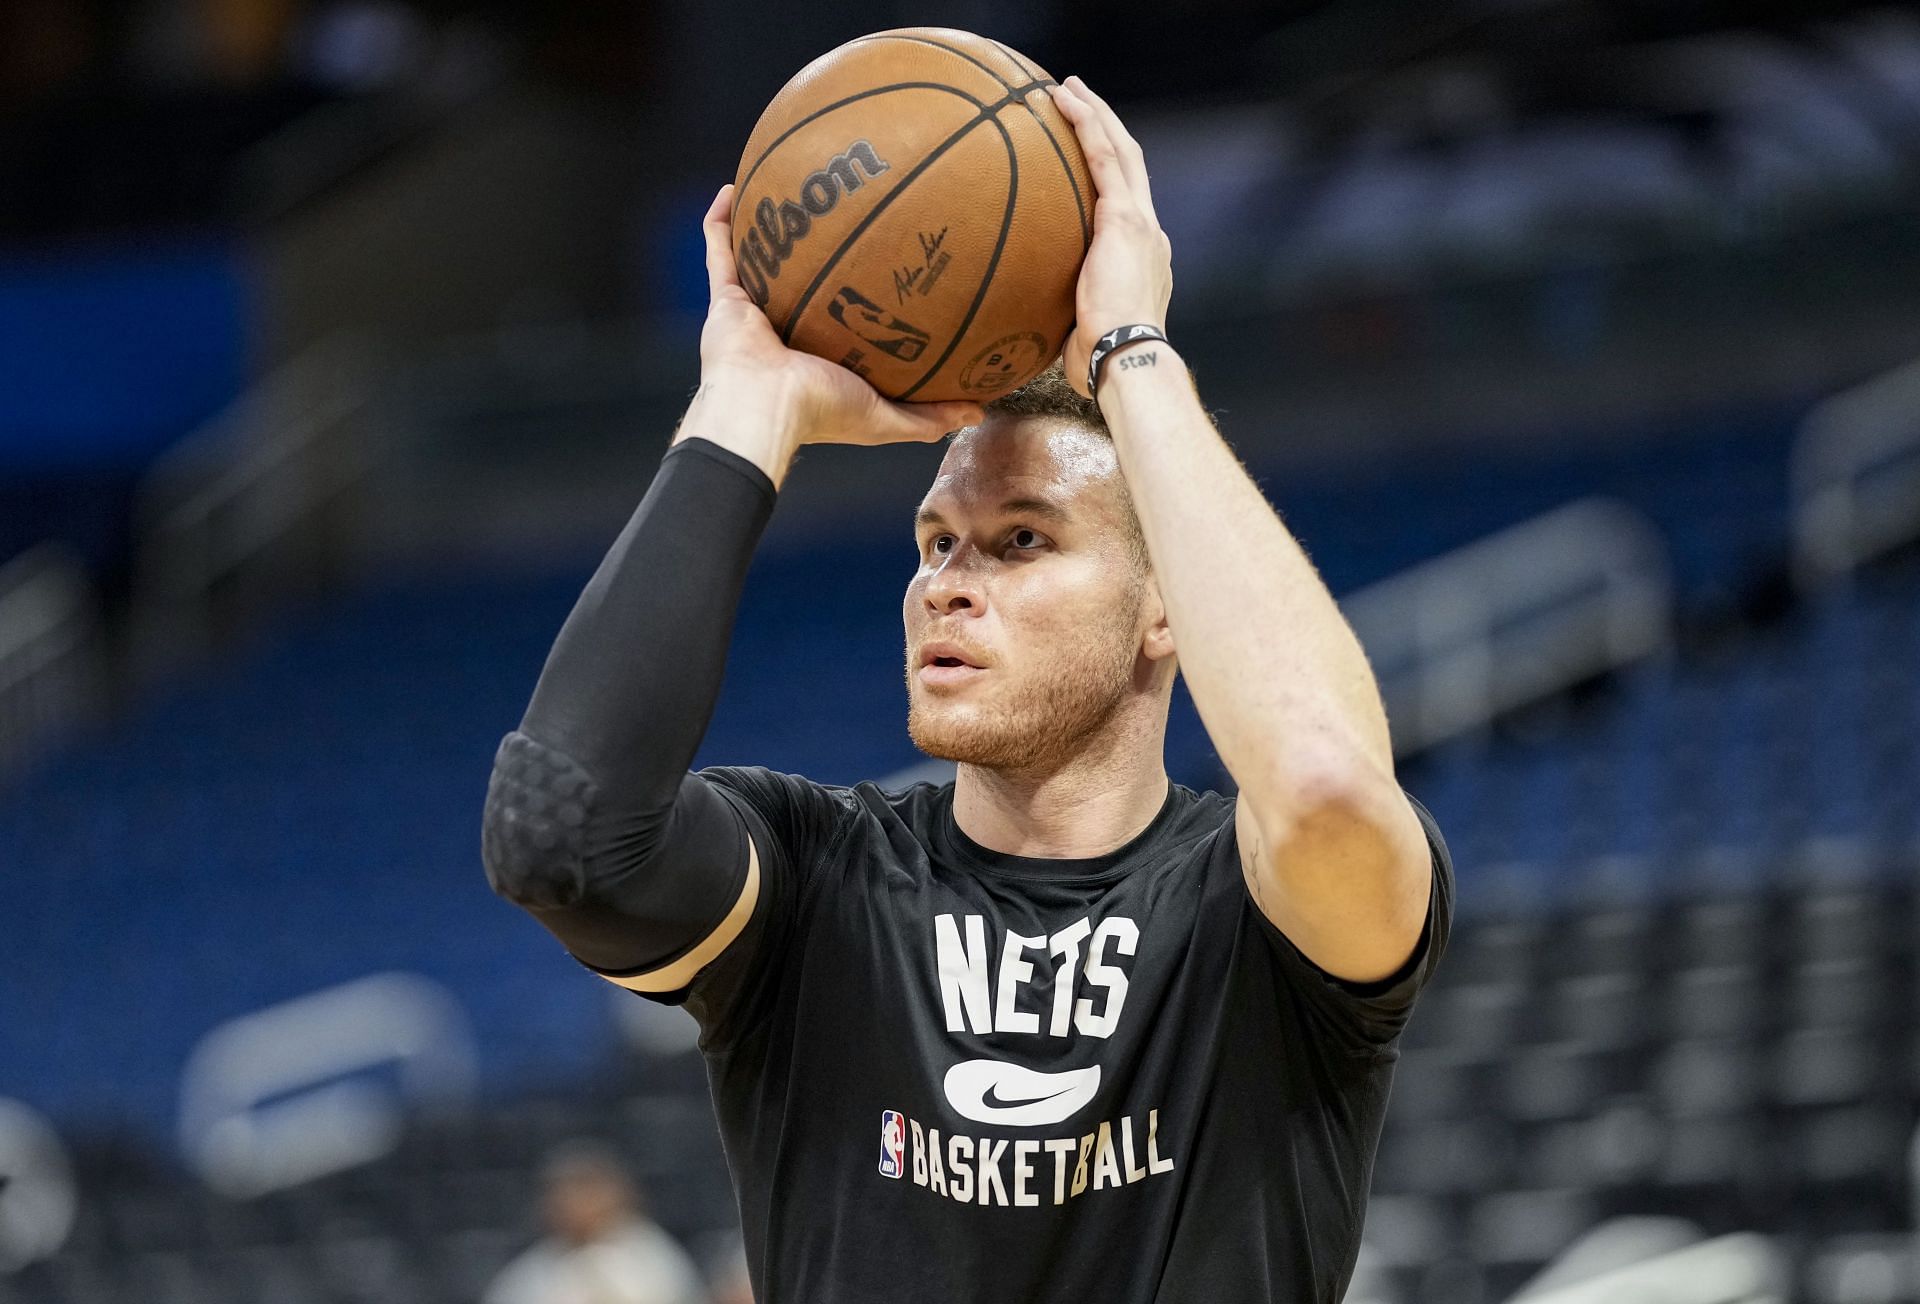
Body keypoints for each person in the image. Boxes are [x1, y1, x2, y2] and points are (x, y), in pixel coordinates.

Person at [482, 76, 1452, 1302]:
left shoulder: (1257, 903)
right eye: (935, 541)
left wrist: (1131, 350)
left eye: (1021, 541)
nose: (946, 581)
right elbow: (559, 838)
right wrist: (750, 405)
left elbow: (1322, 783)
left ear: (1169, 613)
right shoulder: (816, 881)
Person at [483, 1141, 707, 1304]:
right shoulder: (528, 1272)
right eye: (561, 1192)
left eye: (584, 1188)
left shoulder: (652, 1256)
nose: (570, 1202)